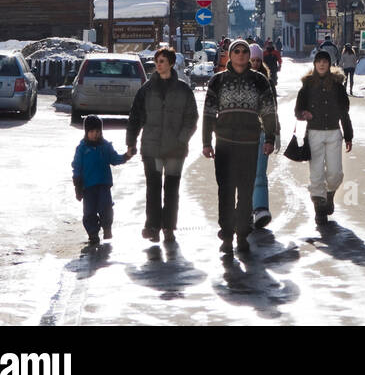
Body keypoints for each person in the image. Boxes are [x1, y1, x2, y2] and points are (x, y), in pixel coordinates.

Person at [202, 38, 277, 255]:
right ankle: (226, 235)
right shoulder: (218, 81)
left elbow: (269, 112)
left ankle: (242, 233)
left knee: (245, 191)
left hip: (249, 143)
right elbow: (208, 113)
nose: (242, 54)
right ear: (230, 55)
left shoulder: (259, 81)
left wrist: (270, 138)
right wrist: (206, 142)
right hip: (224, 144)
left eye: (245, 51)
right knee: (225, 191)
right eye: (237, 51)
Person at [126, 44, 199, 244]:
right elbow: (135, 116)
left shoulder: (183, 90)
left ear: (171, 64)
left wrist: (182, 139)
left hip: (175, 149)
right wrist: (131, 142)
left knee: (172, 189)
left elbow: (192, 118)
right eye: (157, 61)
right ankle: (152, 226)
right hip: (151, 147)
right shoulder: (146, 90)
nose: (158, 65)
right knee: (153, 188)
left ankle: (168, 227)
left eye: (162, 61)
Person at [295, 48, 353, 222]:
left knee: (335, 173)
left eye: (325, 61)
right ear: (314, 64)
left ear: (329, 64)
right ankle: (319, 209)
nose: (321, 64)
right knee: (317, 174)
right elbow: (298, 110)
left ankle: (329, 195)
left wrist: (348, 135)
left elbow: (344, 112)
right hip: (314, 133)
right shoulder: (307, 86)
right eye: (319, 61)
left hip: (334, 133)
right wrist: (303, 114)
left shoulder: (337, 86)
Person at [71, 114, 130, 245]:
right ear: (86, 132)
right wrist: (77, 184)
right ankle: (93, 234)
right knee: (89, 212)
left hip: (104, 184)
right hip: (88, 187)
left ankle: (107, 227)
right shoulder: (82, 149)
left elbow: (114, 159)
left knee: (106, 208)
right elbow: (76, 166)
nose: (95, 134)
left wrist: (126, 156)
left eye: (98, 131)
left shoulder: (106, 146)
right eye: (92, 131)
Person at [249, 44, 277, 229]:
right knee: (244, 174)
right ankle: (246, 209)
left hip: (260, 131)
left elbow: (272, 108)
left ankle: (260, 209)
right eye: (254, 60)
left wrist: (273, 132)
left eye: (259, 60)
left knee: (259, 173)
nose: (256, 63)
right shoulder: (236, 79)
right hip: (241, 132)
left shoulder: (266, 81)